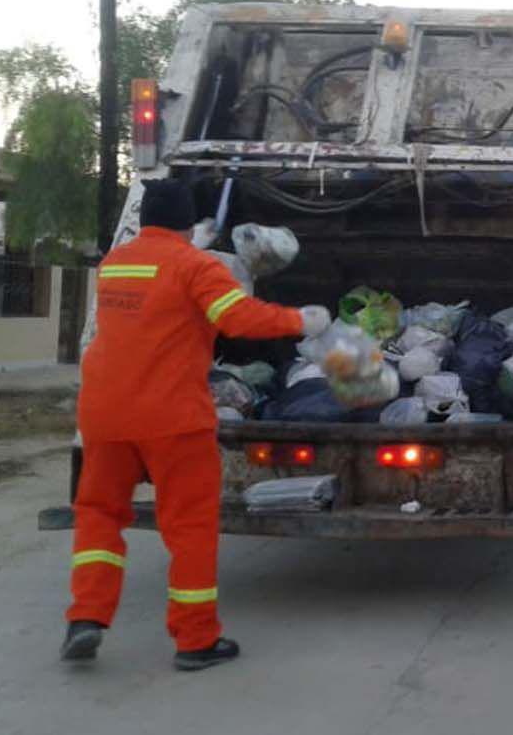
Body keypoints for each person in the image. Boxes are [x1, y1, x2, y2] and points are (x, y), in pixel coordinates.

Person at [60, 179, 330, 671]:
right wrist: (301, 321)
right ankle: (195, 639)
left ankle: (86, 618)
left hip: (104, 413)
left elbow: (151, 293)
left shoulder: (115, 263)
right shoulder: (193, 265)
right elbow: (241, 319)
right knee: (189, 527)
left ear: (143, 221)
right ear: (188, 223)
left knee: (99, 515)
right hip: (171, 417)